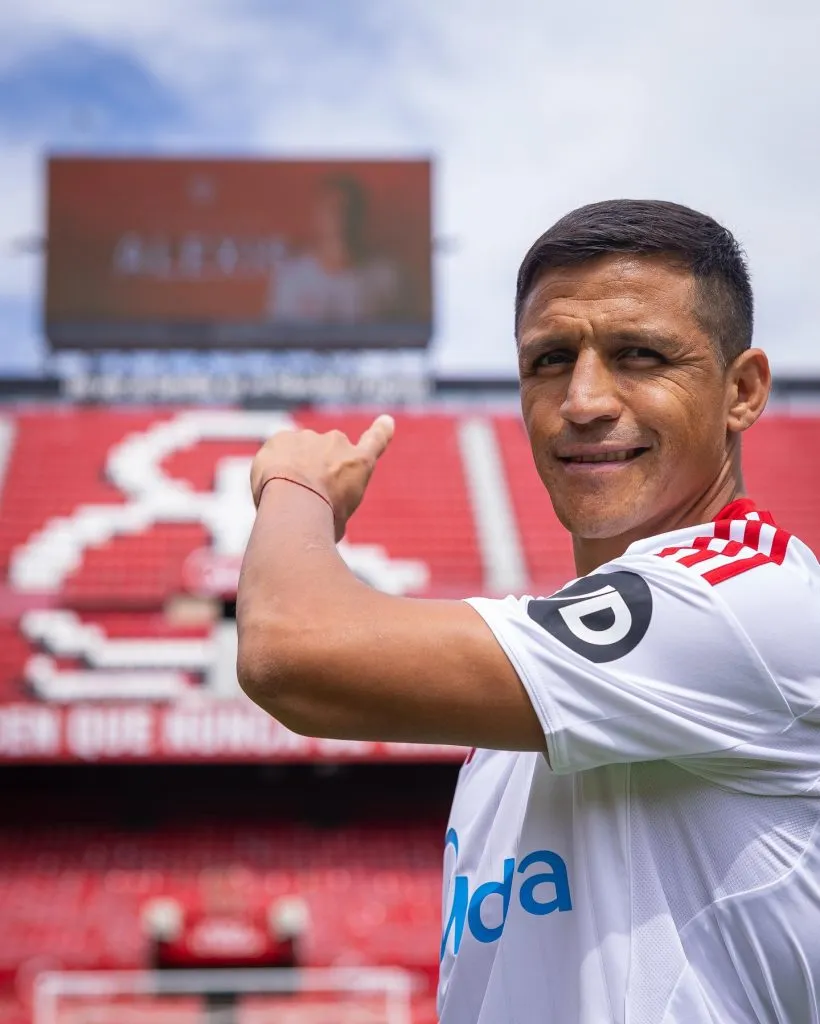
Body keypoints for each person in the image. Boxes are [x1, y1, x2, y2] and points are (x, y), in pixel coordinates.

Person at [236, 200, 820, 1023]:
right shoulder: (515, 720)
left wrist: (295, 486)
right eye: (549, 360)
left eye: (640, 355)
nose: (583, 400)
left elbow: (289, 650)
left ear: (743, 391)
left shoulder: (745, 598)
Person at [267, 175, 402, 324]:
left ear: (361, 216)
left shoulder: (388, 278)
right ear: (317, 216)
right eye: (332, 210)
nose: (340, 218)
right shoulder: (291, 279)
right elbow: (277, 341)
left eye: (348, 209)